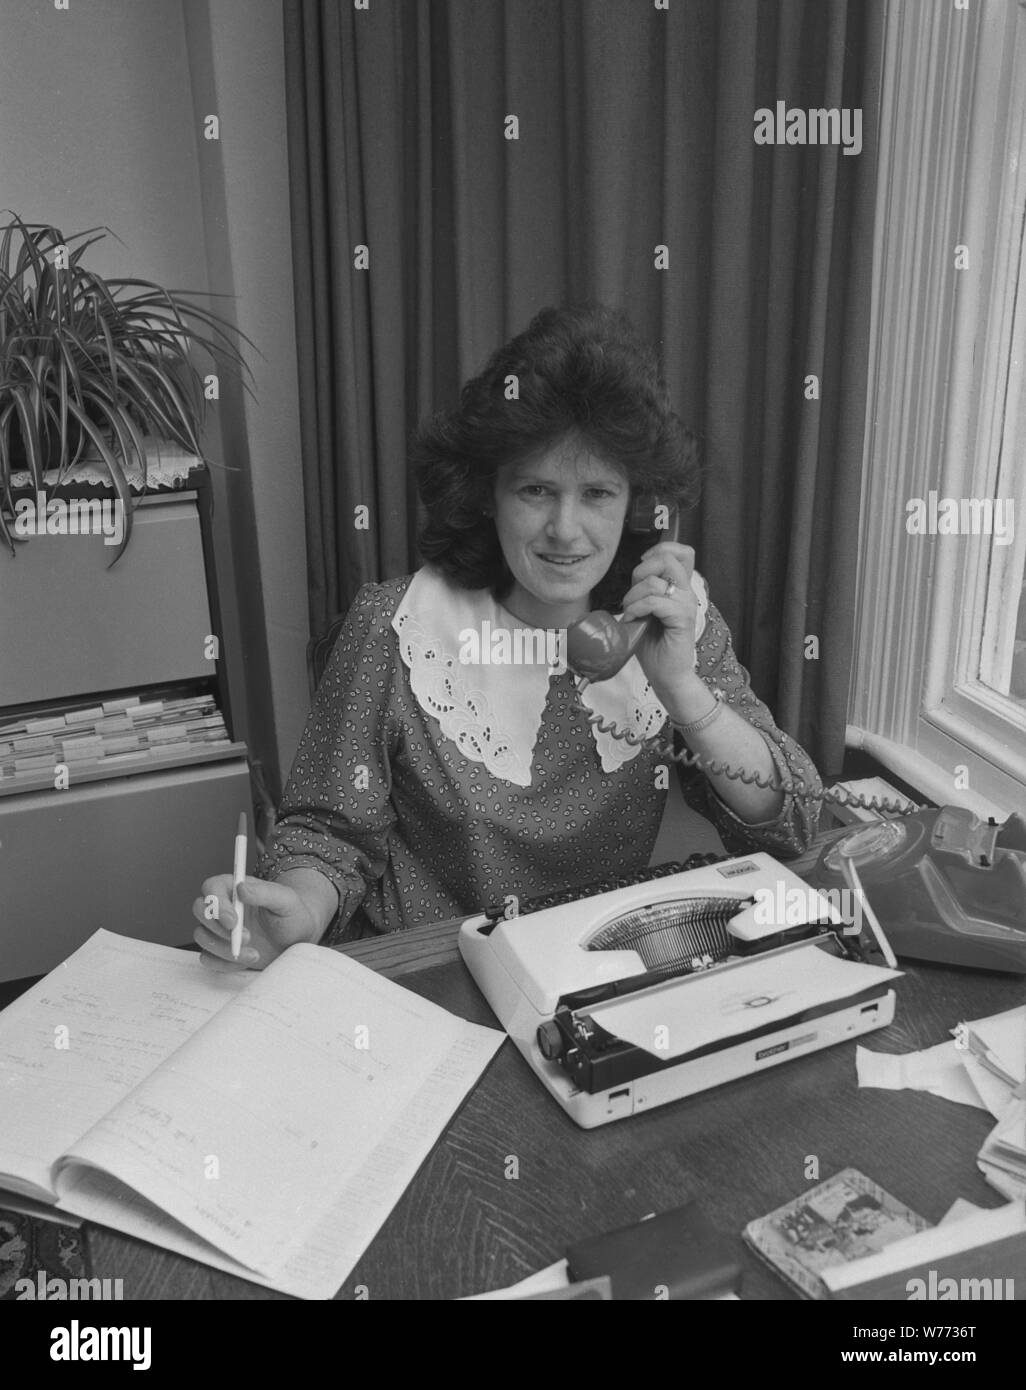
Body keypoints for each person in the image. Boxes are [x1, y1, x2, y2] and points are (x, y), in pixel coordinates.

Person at [193, 305, 822, 971]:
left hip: (587, 970)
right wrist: (297, 911)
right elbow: (328, 835)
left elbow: (792, 822)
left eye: (599, 493)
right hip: (433, 976)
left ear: (636, 498)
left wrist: (684, 692)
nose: (565, 529)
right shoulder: (393, 625)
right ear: (489, 493)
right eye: (536, 490)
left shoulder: (672, 617)